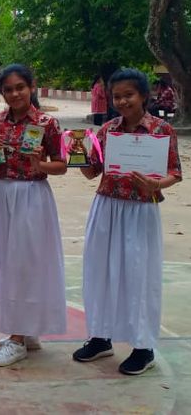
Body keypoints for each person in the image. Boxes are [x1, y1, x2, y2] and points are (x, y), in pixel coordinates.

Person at [73, 68, 182, 375]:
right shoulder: (107, 130)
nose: (122, 101)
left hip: (141, 209)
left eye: (128, 95)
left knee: (140, 274)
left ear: (144, 96)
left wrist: (157, 185)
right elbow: (92, 171)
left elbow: (174, 171)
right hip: (106, 206)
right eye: (116, 96)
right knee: (99, 271)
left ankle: (143, 346)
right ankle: (100, 336)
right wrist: (76, 154)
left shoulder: (162, 130)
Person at [0, 64, 67, 367]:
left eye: (20, 87)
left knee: (26, 263)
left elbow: (61, 164)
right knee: (5, 262)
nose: (14, 93)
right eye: (8, 89)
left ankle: (18, 338)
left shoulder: (47, 123)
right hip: (2, 193)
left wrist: (39, 165)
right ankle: (24, 330)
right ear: (1, 92)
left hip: (32, 195)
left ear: (32, 86)